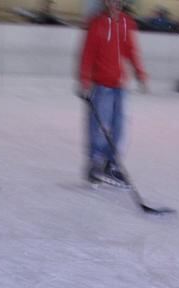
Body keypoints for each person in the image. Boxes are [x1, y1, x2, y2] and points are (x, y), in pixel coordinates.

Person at [77, 0, 148, 188]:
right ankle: (95, 163)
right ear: (106, 2)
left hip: (120, 85)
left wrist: (140, 73)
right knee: (99, 125)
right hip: (101, 85)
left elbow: (131, 51)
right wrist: (84, 80)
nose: (116, 4)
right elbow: (87, 54)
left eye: (119, 1)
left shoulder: (127, 22)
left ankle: (112, 164)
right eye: (112, 0)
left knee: (120, 127)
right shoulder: (96, 23)